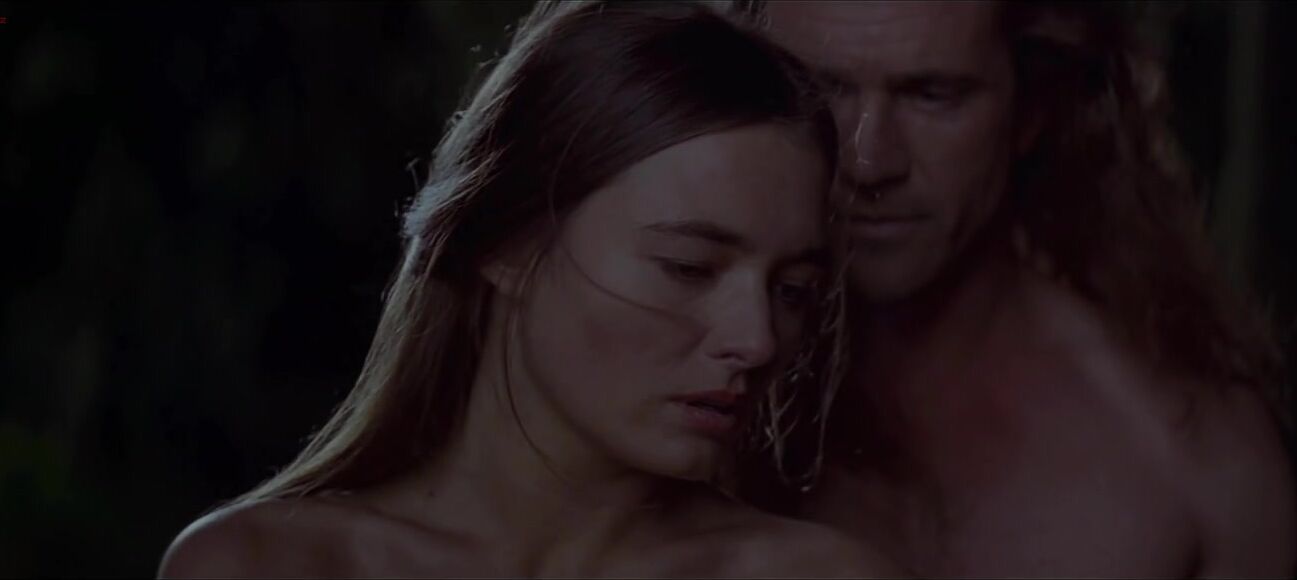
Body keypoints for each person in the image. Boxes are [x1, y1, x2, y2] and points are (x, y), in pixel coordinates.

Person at [156, 1, 901, 577]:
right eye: (689, 267)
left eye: (792, 290)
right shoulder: (263, 565)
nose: (758, 339)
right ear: (507, 242)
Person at [725, 1, 1297, 577]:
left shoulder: (1189, 452)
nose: (870, 162)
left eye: (933, 95)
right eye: (820, 88)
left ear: (1031, 111)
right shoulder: (688, 398)